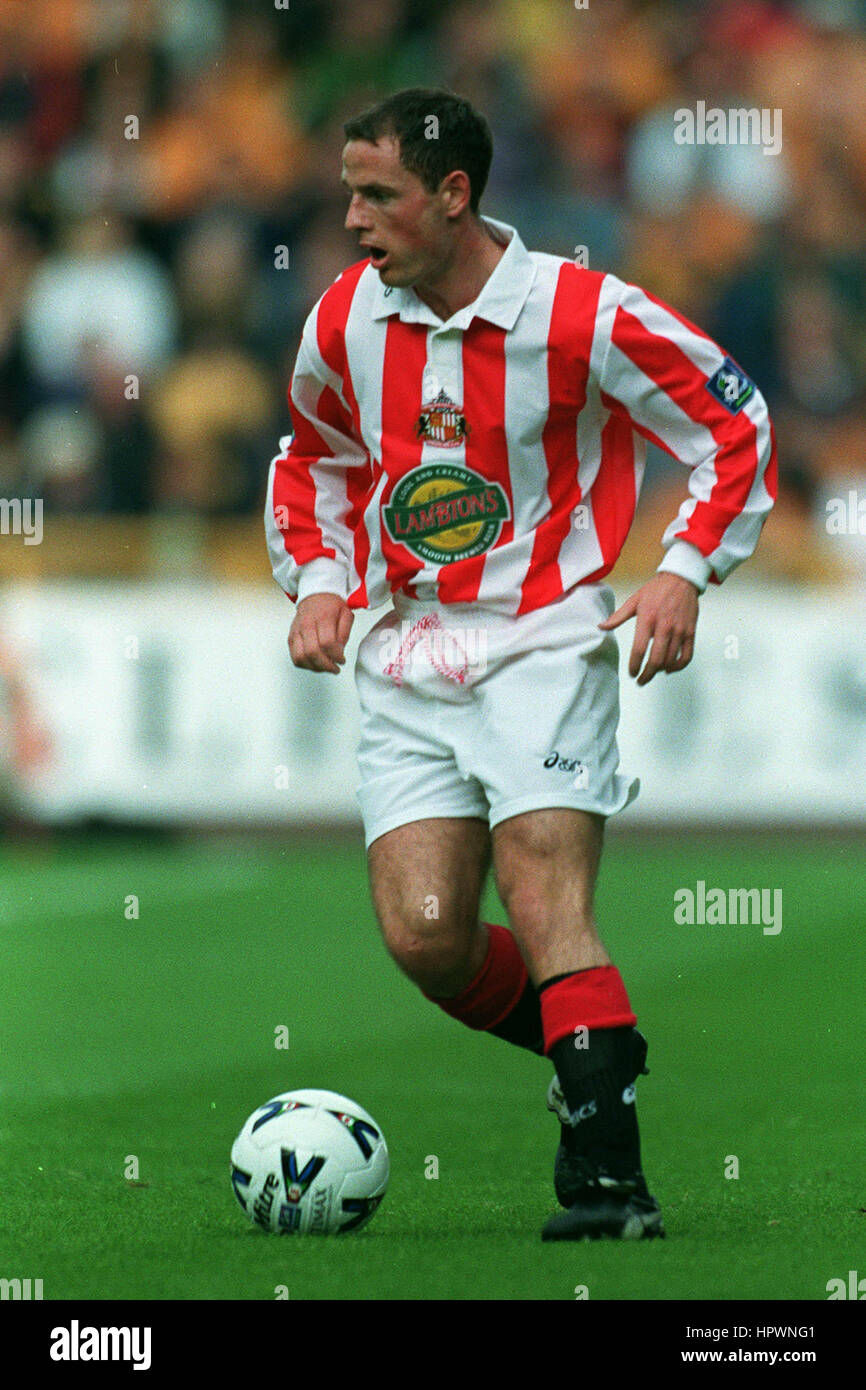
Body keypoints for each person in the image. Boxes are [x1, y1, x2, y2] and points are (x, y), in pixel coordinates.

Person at [265, 88, 776, 1241]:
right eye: (347, 192)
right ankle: (593, 1041)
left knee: (544, 895)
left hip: (541, 639)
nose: (350, 220)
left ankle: (605, 1173)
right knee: (426, 937)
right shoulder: (347, 318)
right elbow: (315, 462)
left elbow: (731, 423)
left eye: (376, 195)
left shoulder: (583, 314)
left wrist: (683, 568)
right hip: (404, 651)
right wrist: (321, 581)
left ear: (452, 196)